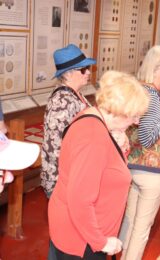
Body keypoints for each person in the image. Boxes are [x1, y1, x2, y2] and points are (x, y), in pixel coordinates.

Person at [48, 70, 149, 259]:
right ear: (118, 110)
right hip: (82, 240)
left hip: (82, 232)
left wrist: (119, 145)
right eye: (134, 116)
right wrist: (101, 242)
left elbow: (108, 166)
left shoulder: (94, 119)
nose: (137, 122)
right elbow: (80, 200)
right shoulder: (94, 137)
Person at [119, 45, 160, 260]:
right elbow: (147, 137)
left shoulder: (138, 90)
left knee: (130, 221)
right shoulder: (152, 97)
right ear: (156, 68)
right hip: (151, 173)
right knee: (141, 230)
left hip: (133, 168)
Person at [40, 44, 96, 198]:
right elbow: (55, 148)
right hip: (63, 181)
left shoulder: (75, 94)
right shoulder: (61, 102)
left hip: (76, 175)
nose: (88, 72)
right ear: (69, 74)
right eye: (83, 69)